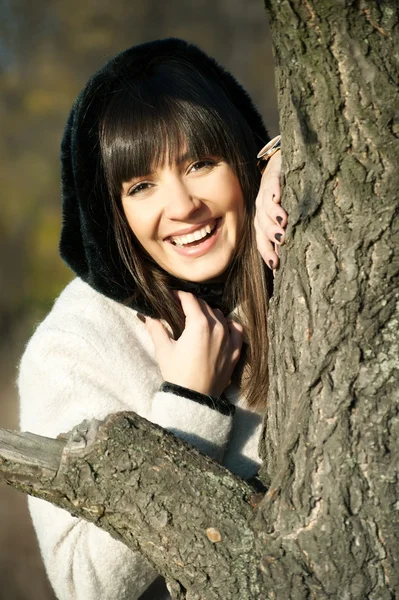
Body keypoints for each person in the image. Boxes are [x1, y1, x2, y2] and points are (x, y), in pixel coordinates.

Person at [18, 38, 286, 600]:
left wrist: (299, 162)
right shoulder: (74, 344)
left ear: (242, 159)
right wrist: (190, 403)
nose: (183, 205)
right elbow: (83, 586)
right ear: (111, 211)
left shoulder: (295, 254)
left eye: (201, 163)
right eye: (141, 186)